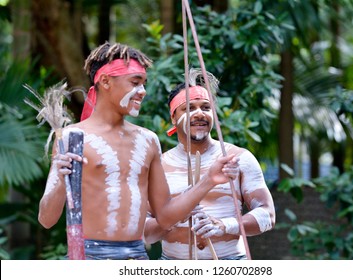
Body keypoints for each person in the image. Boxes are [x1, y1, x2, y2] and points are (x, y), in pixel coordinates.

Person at [38, 43, 240, 260]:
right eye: (135, 83)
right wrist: (59, 179)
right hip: (89, 257)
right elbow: (46, 219)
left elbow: (165, 217)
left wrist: (208, 180)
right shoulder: (72, 137)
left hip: (137, 257)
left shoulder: (148, 140)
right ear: (105, 81)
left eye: (144, 84)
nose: (142, 91)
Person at [144, 69, 276, 260]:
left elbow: (268, 216)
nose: (199, 113)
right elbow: (147, 233)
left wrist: (224, 225)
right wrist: (173, 217)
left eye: (206, 107)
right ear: (173, 117)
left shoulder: (237, 158)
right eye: (189, 108)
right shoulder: (160, 165)